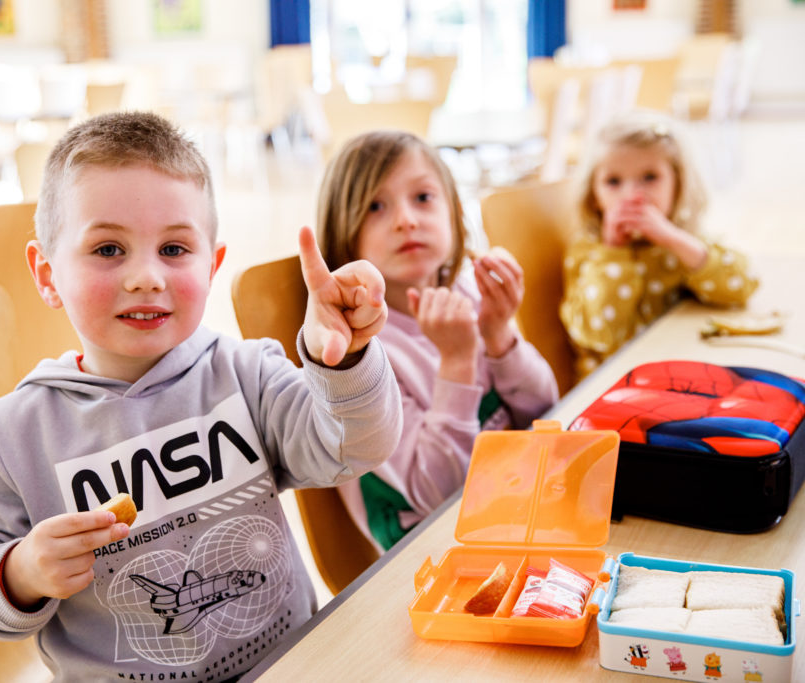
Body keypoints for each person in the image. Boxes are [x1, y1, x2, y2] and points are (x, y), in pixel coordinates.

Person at [0, 112, 402, 682]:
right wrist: (21, 573)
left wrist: (346, 361)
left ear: (212, 265)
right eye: (109, 249)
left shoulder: (248, 373)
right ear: (46, 272)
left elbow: (357, 448)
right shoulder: (10, 434)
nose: (146, 277)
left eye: (175, 249)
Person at [315, 130, 558, 552]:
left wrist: (500, 337)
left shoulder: (468, 293)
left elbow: (542, 409)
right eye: (375, 206)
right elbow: (437, 492)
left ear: (454, 212)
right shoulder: (356, 355)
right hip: (428, 549)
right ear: (343, 235)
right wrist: (458, 362)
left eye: (423, 198)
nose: (406, 219)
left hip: (511, 498)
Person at [560, 111, 759, 379]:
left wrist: (675, 240)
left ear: (678, 185)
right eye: (613, 181)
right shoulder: (588, 251)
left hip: (679, 371)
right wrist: (613, 251)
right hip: (612, 388)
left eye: (650, 177)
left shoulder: (681, 238)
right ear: (594, 196)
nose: (631, 195)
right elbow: (599, 335)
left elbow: (741, 286)